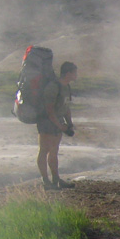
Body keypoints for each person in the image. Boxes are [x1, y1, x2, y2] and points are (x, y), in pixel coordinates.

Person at [37, 61, 77, 191]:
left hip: (57, 122)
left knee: (54, 151)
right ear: (68, 73)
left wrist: (69, 123)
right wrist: (60, 125)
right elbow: (49, 110)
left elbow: (65, 107)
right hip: (46, 122)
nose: (76, 75)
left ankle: (55, 180)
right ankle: (45, 181)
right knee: (44, 150)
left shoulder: (66, 87)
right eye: (74, 72)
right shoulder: (53, 87)